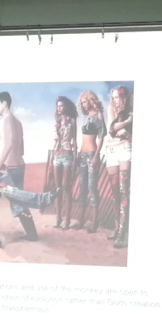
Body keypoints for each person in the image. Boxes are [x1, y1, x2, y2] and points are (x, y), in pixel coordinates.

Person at [0, 91, 39, 241]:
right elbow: (21, 150)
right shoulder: (18, 122)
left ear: (4, 103)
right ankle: (32, 233)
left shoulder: (5, 121)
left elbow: (7, 146)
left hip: (9, 169)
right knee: (20, 201)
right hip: (19, 167)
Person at [103, 86, 133, 248]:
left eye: (117, 97)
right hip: (111, 150)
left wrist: (126, 132)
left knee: (124, 191)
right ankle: (116, 226)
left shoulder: (131, 110)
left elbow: (129, 136)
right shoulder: (112, 109)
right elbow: (111, 129)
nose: (115, 100)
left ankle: (122, 232)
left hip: (125, 149)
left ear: (124, 98)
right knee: (115, 193)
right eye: (113, 97)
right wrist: (128, 122)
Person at [72, 90, 105, 233]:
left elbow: (101, 137)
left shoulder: (98, 115)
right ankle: (81, 220)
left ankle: (94, 221)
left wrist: (96, 156)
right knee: (82, 189)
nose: (84, 105)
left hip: (92, 154)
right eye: (82, 103)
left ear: (91, 100)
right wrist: (79, 155)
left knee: (92, 188)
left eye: (85, 101)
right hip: (82, 156)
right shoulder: (85, 117)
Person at [50, 96, 78, 230]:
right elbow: (55, 140)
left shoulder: (72, 121)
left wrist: (75, 158)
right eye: (58, 106)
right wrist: (52, 156)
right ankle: (58, 218)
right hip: (57, 154)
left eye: (61, 106)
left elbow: (75, 140)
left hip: (67, 154)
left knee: (66, 187)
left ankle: (67, 220)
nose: (59, 108)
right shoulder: (56, 121)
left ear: (66, 107)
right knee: (58, 188)